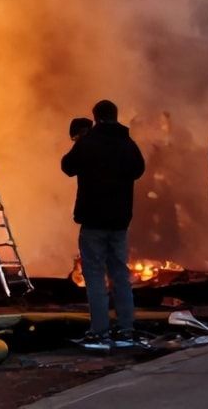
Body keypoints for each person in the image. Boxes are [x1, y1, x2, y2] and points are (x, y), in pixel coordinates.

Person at [59, 99, 147, 350]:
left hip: (93, 221)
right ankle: (126, 330)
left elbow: (67, 167)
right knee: (120, 274)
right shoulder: (128, 144)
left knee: (95, 276)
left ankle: (99, 332)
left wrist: (80, 143)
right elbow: (139, 170)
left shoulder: (88, 143)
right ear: (116, 116)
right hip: (120, 221)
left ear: (95, 117)